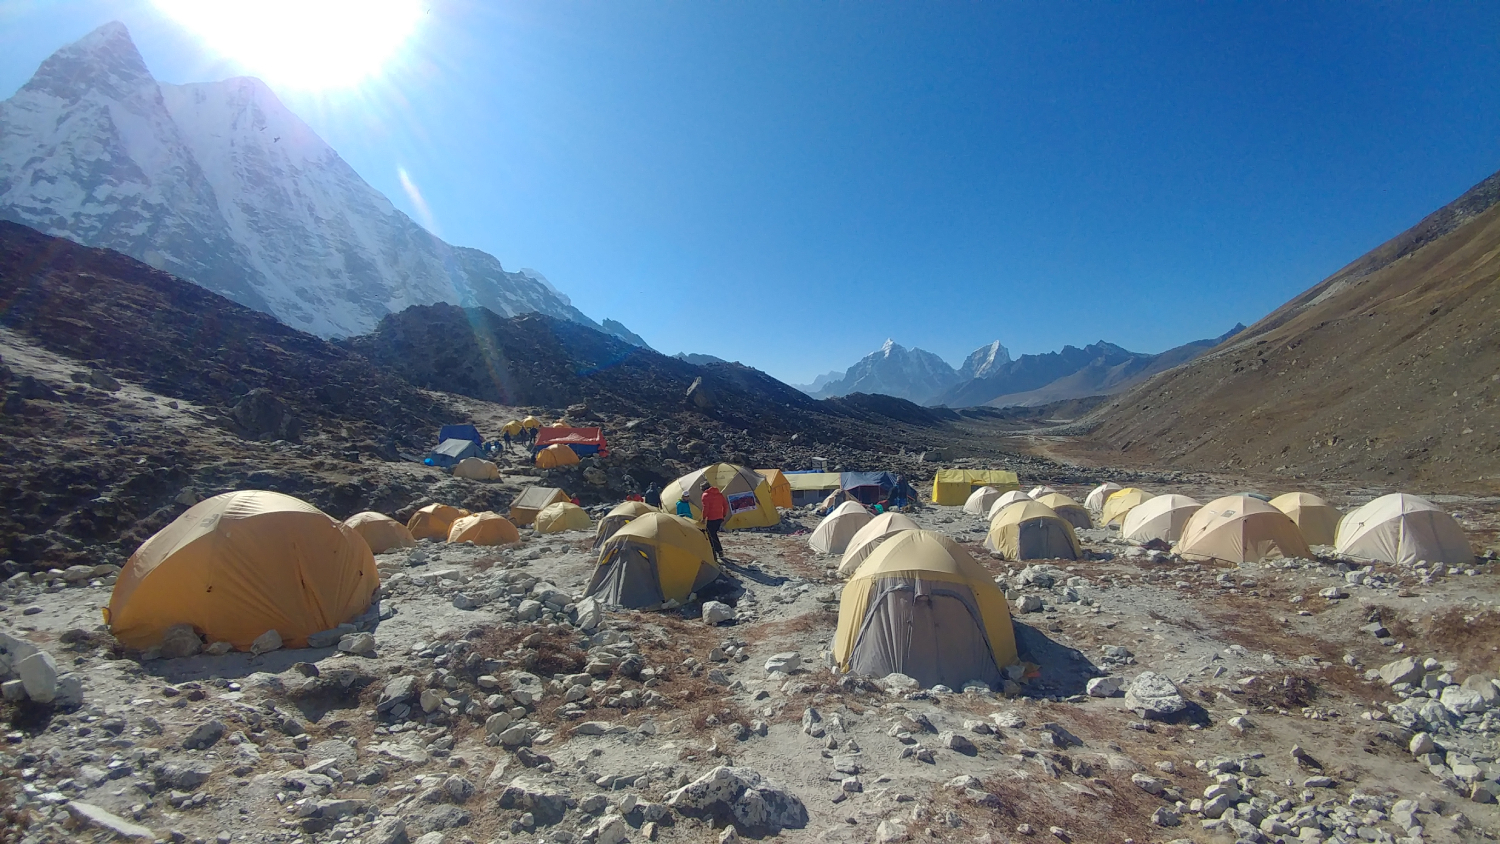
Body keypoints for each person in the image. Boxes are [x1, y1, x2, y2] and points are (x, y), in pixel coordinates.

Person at [700, 480, 728, 563]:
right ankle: (718, 552)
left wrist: (703, 518)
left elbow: (706, 508)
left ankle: (716, 552)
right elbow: (725, 505)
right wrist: (723, 515)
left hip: (711, 518)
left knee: (711, 535)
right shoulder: (719, 494)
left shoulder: (705, 495)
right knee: (713, 534)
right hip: (719, 517)